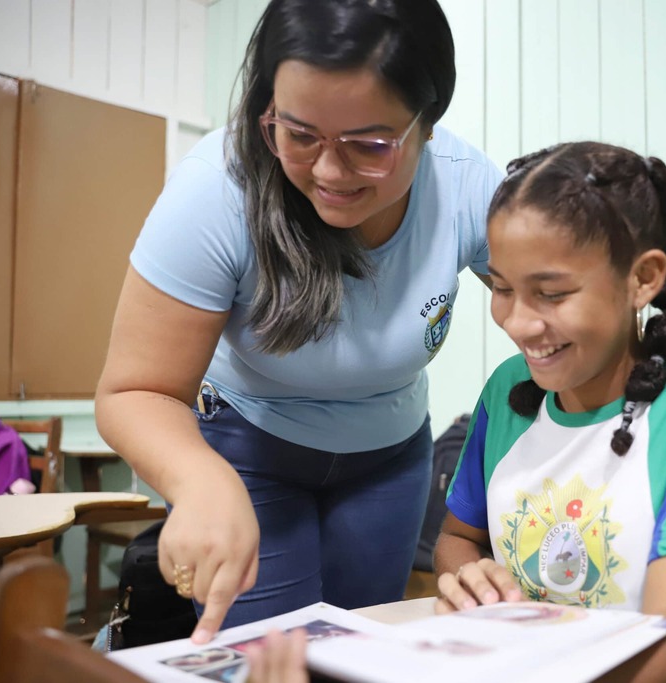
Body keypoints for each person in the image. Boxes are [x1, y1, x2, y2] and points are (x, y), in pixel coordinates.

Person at [95, 0, 502, 645]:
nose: (331, 172)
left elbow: (559, 301)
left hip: (389, 457)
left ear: (428, 126)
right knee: (270, 655)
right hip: (245, 453)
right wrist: (198, 482)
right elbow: (135, 390)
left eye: (369, 145)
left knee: (357, 649)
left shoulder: (467, 187)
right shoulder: (215, 190)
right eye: (299, 135)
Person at [432, 142, 666, 682]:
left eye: (551, 293)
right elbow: (458, 538)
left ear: (643, 279)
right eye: (501, 288)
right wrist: (471, 578)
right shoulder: (508, 390)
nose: (518, 324)